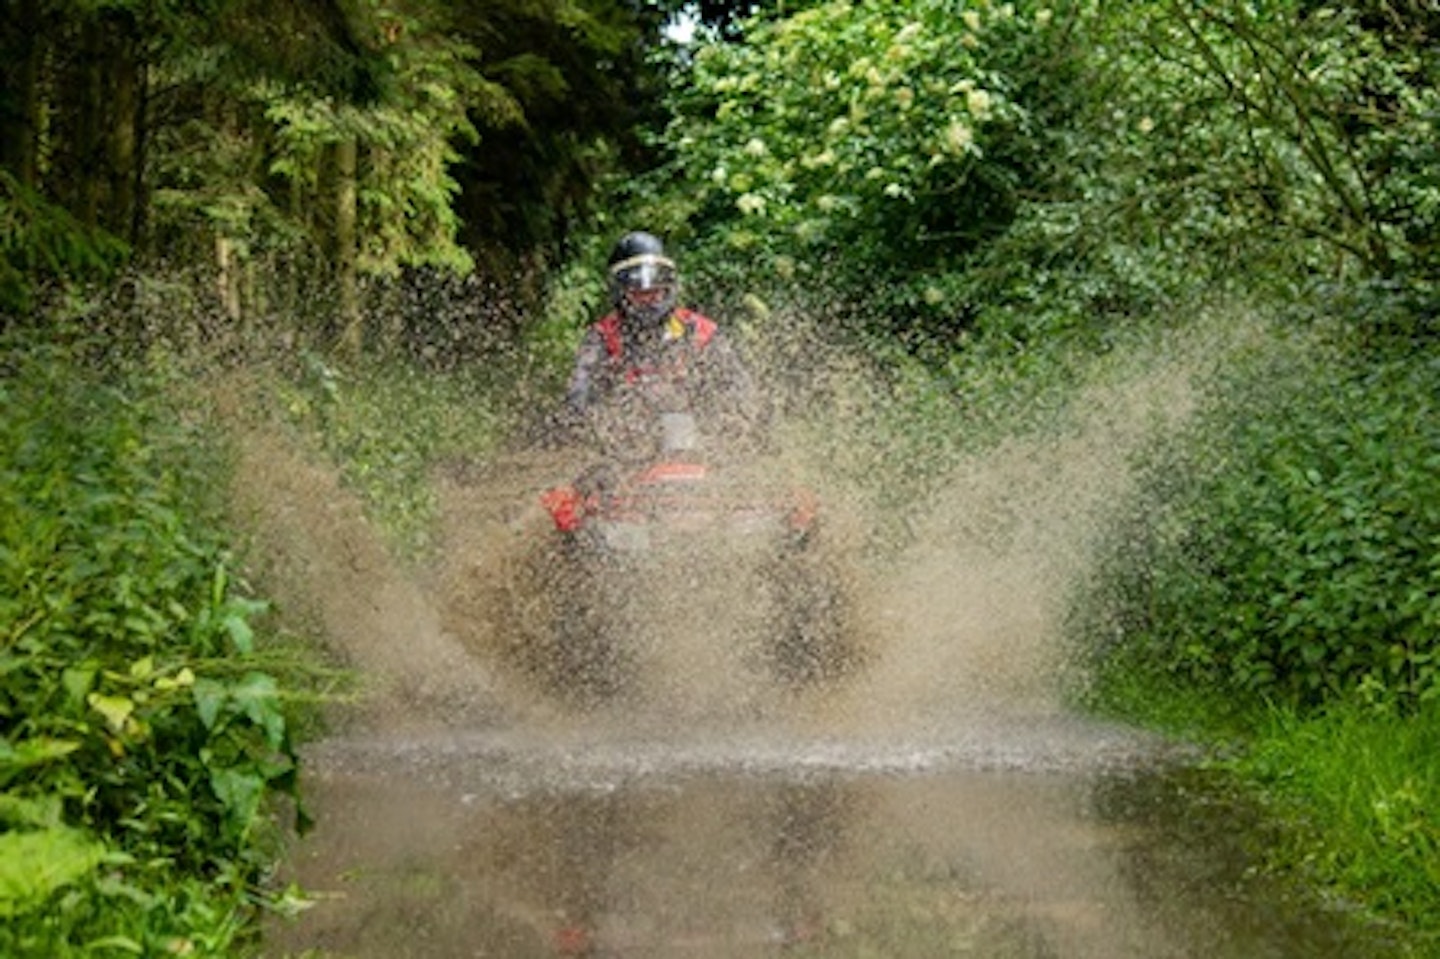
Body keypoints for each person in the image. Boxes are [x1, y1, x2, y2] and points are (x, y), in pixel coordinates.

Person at [561, 230, 762, 455]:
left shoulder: (700, 330)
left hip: (700, 447)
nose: (648, 300)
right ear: (621, 294)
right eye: (639, 293)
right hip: (626, 448)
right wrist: (584, 421)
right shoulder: (601, 336)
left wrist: (734, 423)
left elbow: (738, 387)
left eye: (655, 291)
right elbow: (579, 391)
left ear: (668, 288)